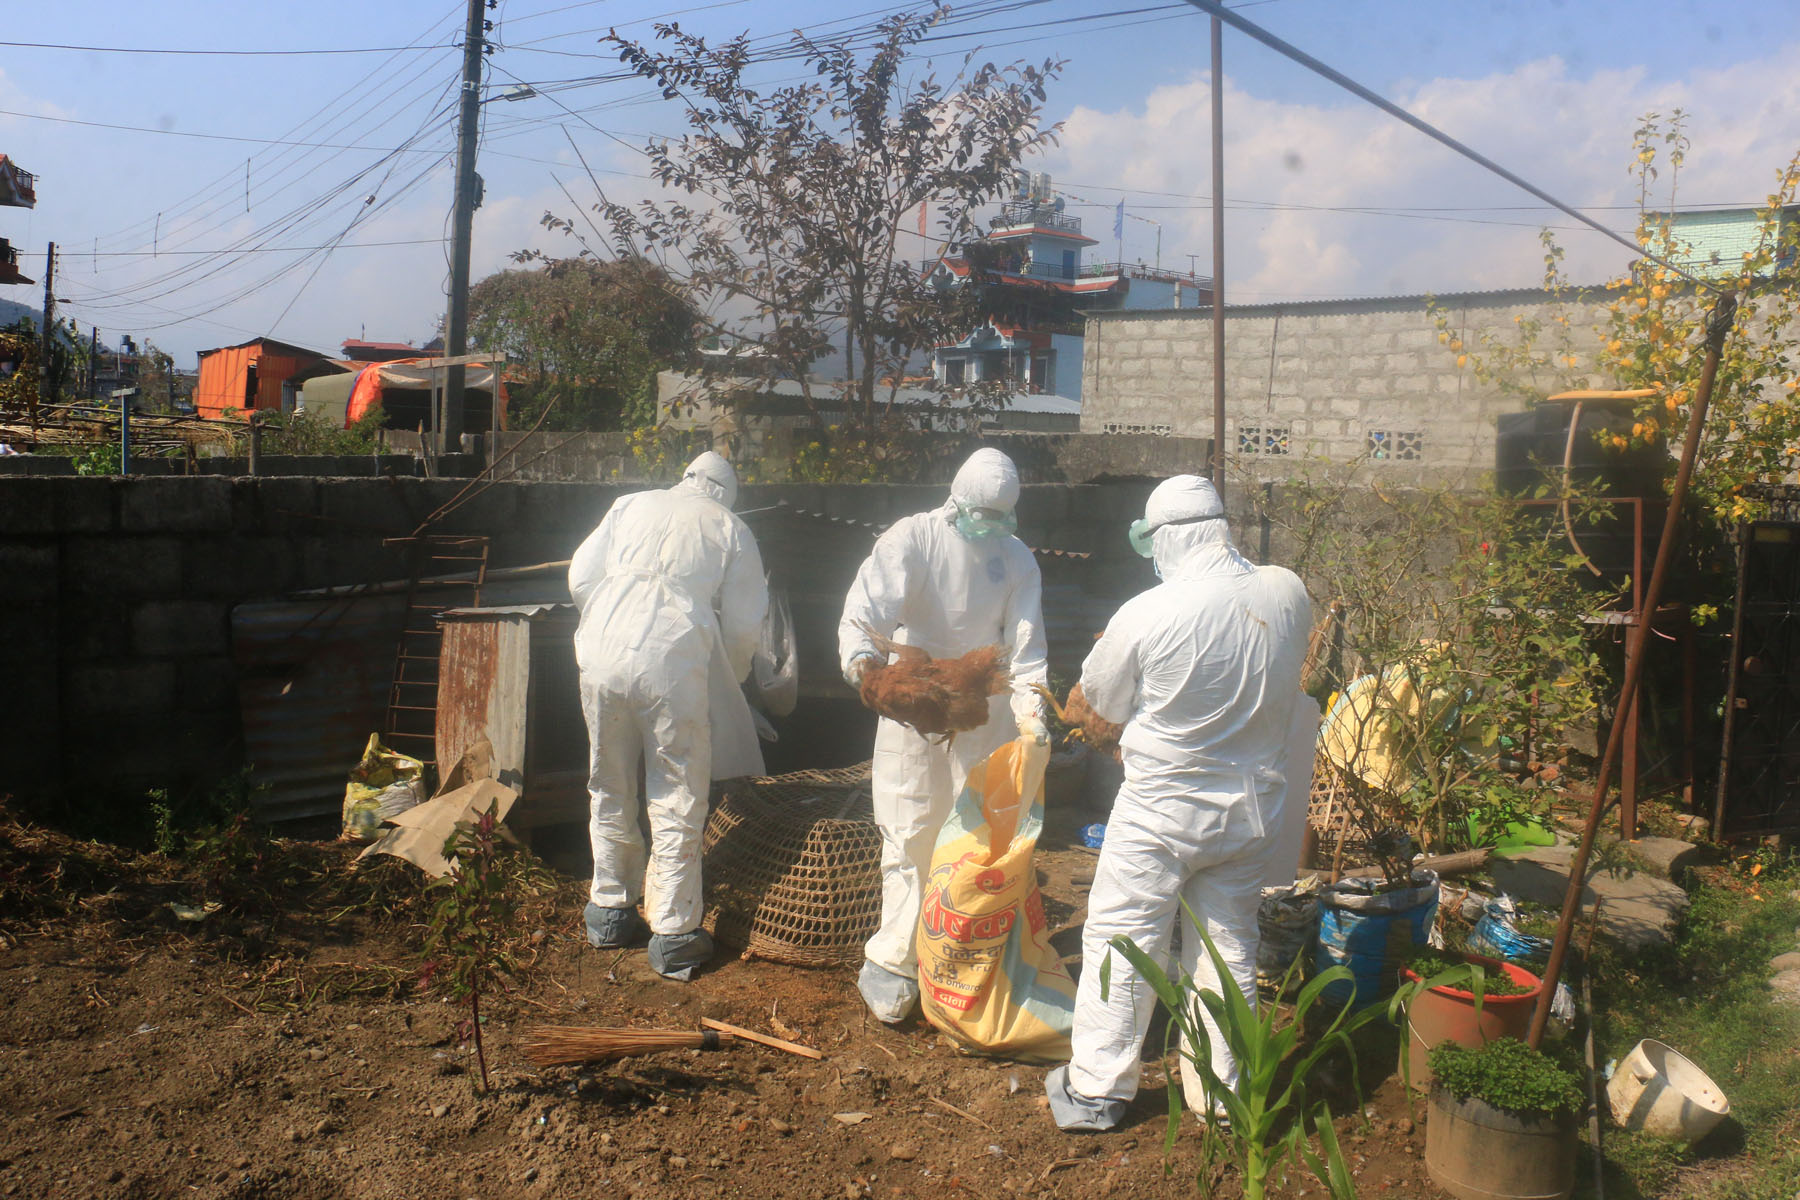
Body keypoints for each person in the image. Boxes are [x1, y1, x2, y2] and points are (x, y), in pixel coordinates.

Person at [1045, 474, 1312, 1132]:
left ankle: (1098, 1091)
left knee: (1123, 941)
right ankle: (1224, 1098)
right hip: (1251, 813)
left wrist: (1113, 717)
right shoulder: (1288, 591)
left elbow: (1095, 709)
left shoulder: (1147, 612)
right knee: (1226, 952)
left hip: (1161, 814)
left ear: (1166, 538)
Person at [838, 447, 1050, 1024]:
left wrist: (1034, 717)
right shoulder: (913, 539)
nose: (991, 524)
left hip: (984, 713)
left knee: (976, 840)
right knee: (909, 830)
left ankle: (961, 958)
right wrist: (866, 666)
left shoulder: (1017, 558)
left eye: (1001, 515)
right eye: (982, 511)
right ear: (956, 499)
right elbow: (867, 607)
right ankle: (895, 960)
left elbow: (1027, 647)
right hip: (916, 706)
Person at [568, 451, 769, 982]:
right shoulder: (729, 525)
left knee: (607, 781)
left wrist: (613, 621)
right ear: (726, 492)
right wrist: (732, 673)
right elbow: (747, 625)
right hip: (672, 659)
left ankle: (609, 912)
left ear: (684, 478)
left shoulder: (629, 503)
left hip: (601, 653)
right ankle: (676, 933)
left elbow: (580, 577)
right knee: (677, 791)